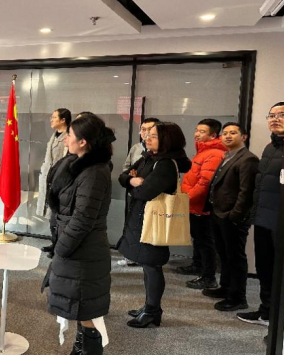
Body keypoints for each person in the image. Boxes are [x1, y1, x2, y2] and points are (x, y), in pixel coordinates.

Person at [45, 114, 115, 355]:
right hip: (75, 247)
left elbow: (83, 219)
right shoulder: (78, 163)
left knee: (86, 309)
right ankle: (80, 348)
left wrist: (61, 249)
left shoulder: (94, 172)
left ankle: (89, 350)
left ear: (83, 142)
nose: (65, 139)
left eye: (70, 135)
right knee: (79, 307)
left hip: (83, 251)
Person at [118, 122, 192, 328]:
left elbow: (145, 192)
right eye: (146, 134)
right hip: (141, 218)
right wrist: (132, 181)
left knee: (152, 265)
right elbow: (124, 176)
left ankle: (152, 311)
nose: (147, 138)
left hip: (153, 220)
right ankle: (149, 307)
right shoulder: (149, 157)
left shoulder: (165, 164)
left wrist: (135, 184)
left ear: (167, 140)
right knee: (147, 264)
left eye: (153, 136)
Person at [237, 102, 284, 332]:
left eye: (282, 114)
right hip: (263, 219)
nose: (275, 119)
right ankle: (266, 311)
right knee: (264, 268)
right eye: (272, 115)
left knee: (281, 272)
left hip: (283, 222)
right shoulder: (270, 147)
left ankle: (279, 319)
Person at [203, 123, 259, 312]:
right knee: (224, 254)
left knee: (235, 257)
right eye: (225, 133)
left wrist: (234, 216)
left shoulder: (248, 159)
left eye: (233, 133)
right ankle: (225, 287)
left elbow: (246, 192)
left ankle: (237, 297)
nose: (227, 136)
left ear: (244, 137)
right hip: (218, 213)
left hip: (232, 217)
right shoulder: (228, 155)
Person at [181, 119, 227, 290]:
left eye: (202, 131)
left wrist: (187, 198)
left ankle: (209, 277)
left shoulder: (214, 153)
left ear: (213, 135)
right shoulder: (203, 151)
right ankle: (198, 265)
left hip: (201, 206)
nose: (197, 134)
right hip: (195, 204)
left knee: (205, 241)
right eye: (197, 130)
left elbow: (204, 183)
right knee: (199, 238)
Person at [119, 117, 160, 267]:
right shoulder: (136, 148)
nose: (146, 133)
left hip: (151, 199)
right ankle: (131, 255)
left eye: (150, 130)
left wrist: (140, 179)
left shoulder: (162, 158)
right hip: (134, 194)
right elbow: (126, 170)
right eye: (143, 129)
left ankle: (144, 257)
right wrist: (132, 178)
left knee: (147, 229)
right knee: (132, 227)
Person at [38, 108, 71, 255]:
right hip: (48, 177)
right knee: (51, 215)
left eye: (54, 117)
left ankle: (58, 246)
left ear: (63, 120)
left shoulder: (68, 136)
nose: (51, 120)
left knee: (57, 216)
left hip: (59, 179)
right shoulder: (54, 135)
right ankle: (54, 242)